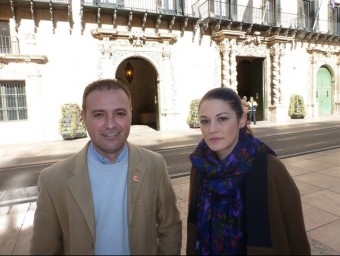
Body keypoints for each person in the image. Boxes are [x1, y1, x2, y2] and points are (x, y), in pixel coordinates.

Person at [30, 79, 182, 255]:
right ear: (84, 117)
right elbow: (44, 248)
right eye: (99, 115)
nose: (110, 124)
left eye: (119, 113)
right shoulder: (52, 180)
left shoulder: (155, 165)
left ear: (130, 115)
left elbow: (170, 227)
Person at [186, 87, 310, 255]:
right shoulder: (199, 166)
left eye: (222, 119)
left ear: (242, 119)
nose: (212, 129)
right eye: (205, 121)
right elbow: (194, 228)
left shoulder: (269, 168)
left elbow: (295, 237)